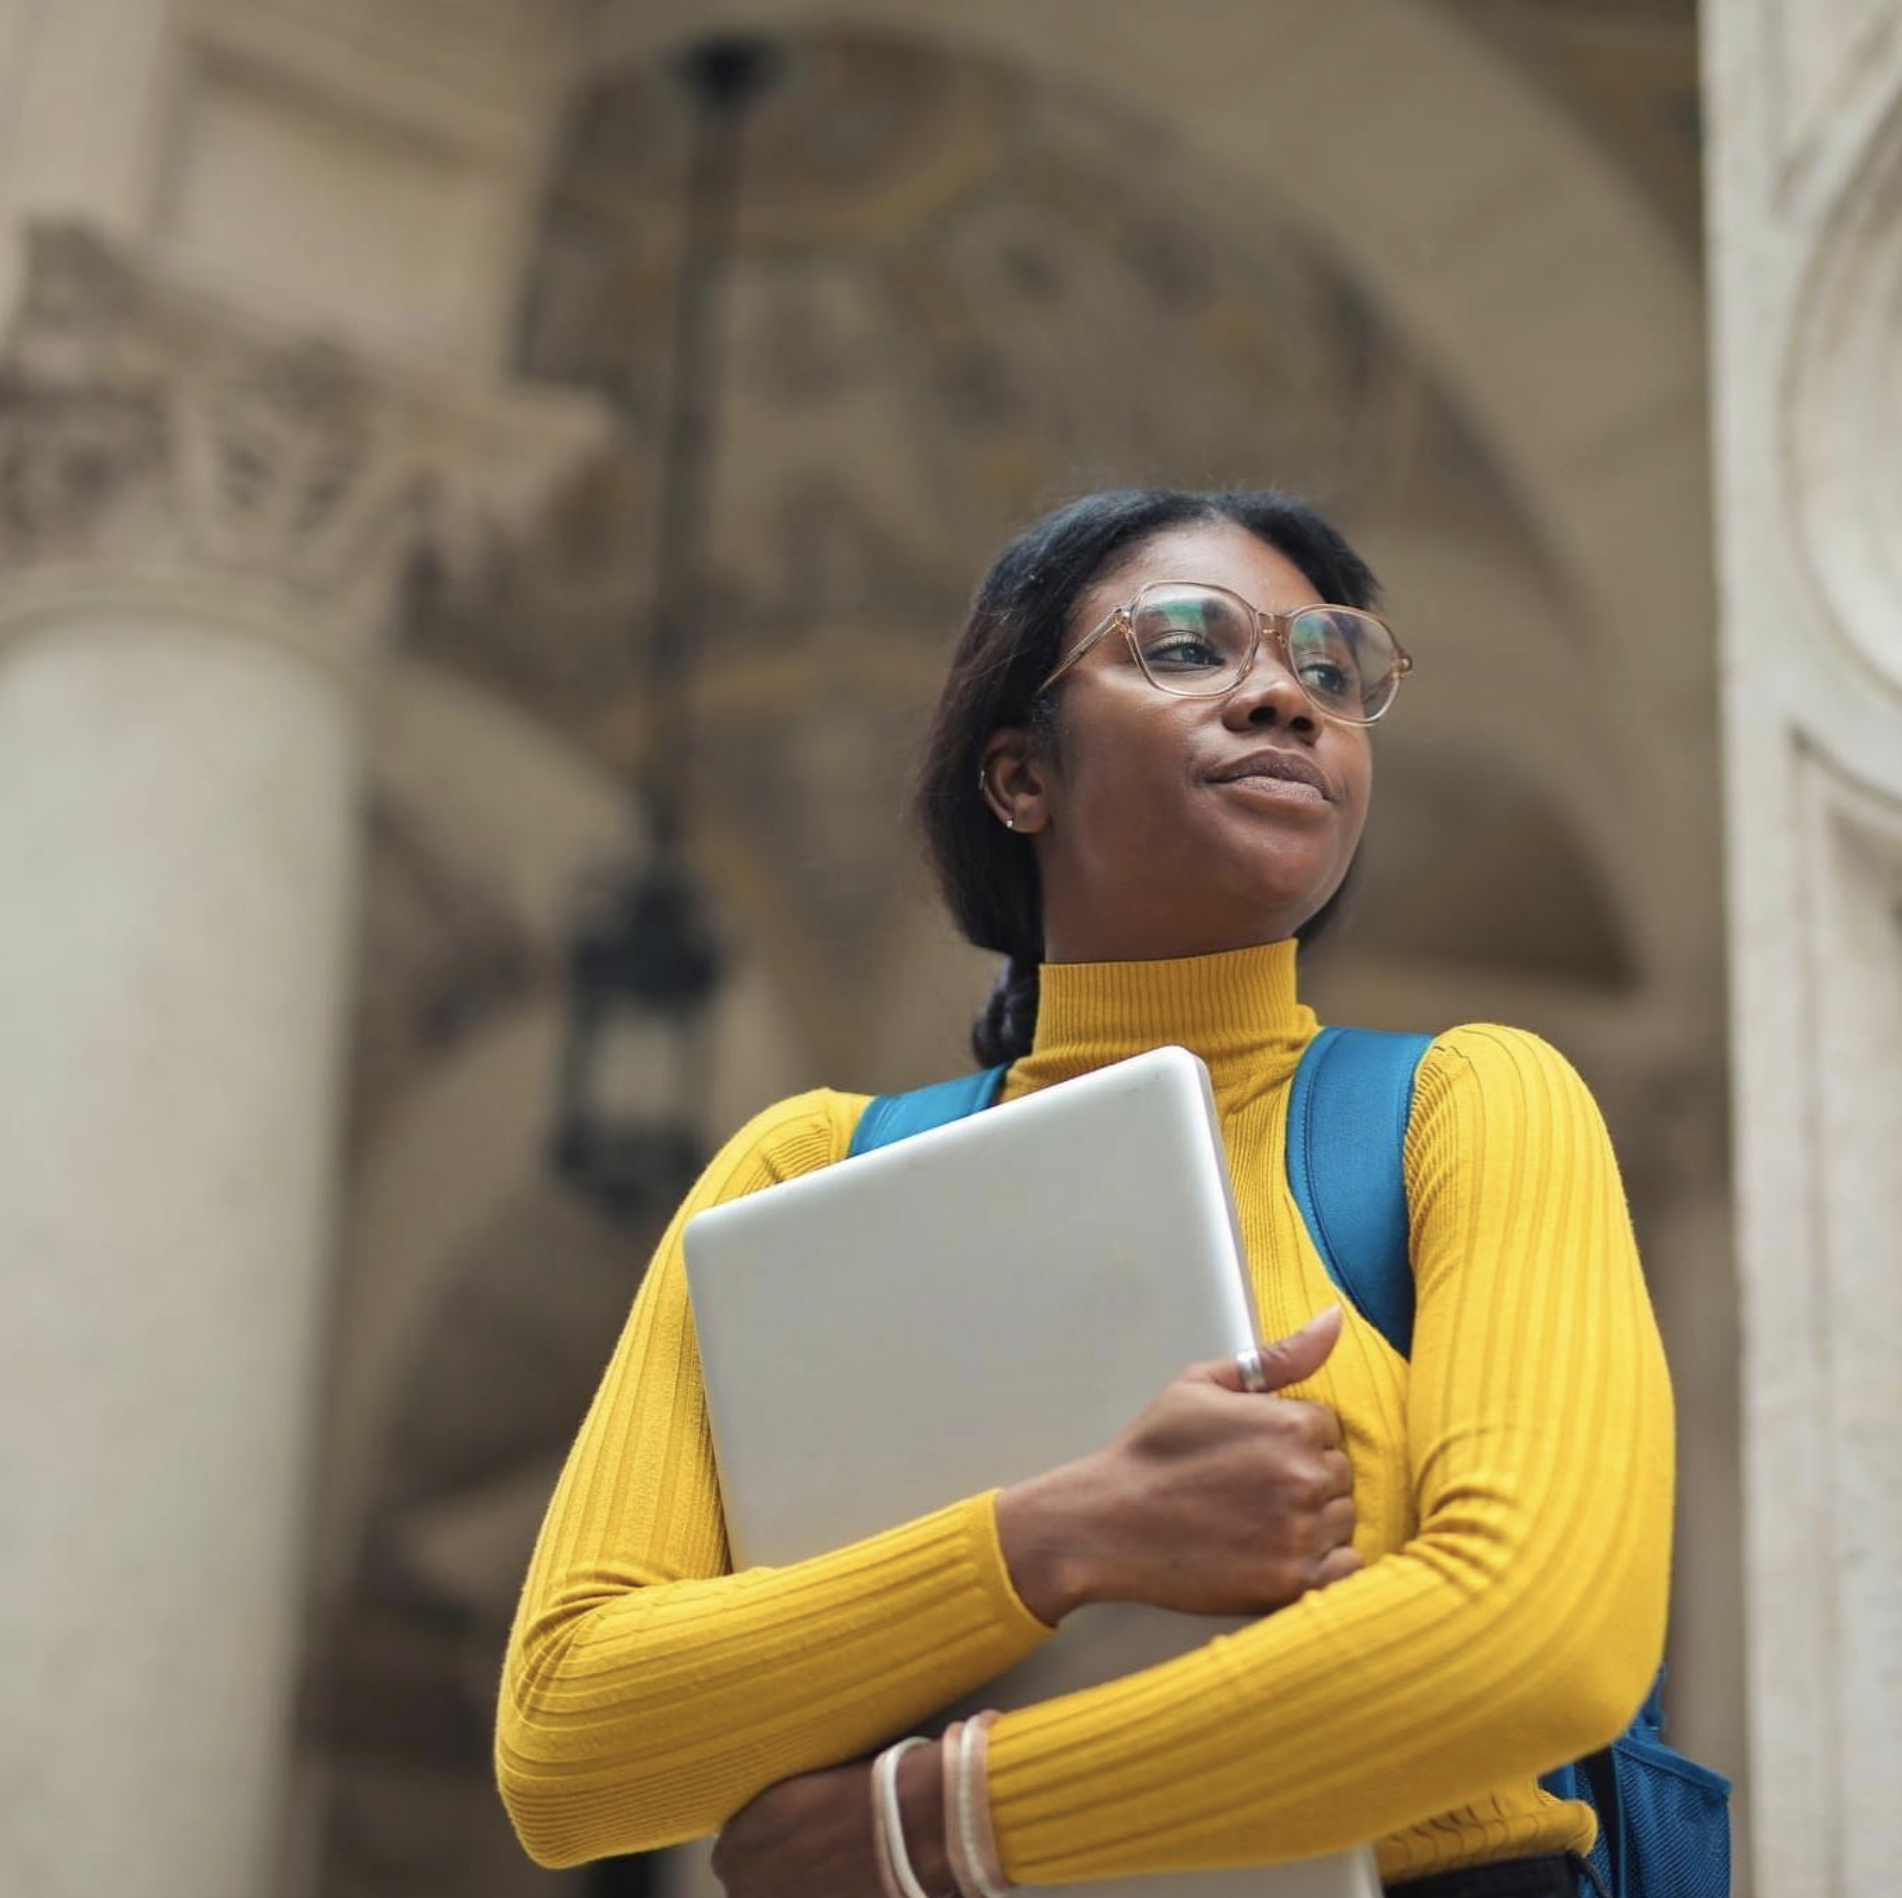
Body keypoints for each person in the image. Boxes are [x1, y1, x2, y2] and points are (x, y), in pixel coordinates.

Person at [496, 489, 1673, 1898]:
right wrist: (1068, 1531)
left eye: (1329, 666)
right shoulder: (802, 1169)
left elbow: (1540, 1642)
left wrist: (933, 1825)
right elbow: (568, 1740)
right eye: (1184, 645)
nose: (1286, 700)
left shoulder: (1466, 1105)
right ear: (1017, 775)